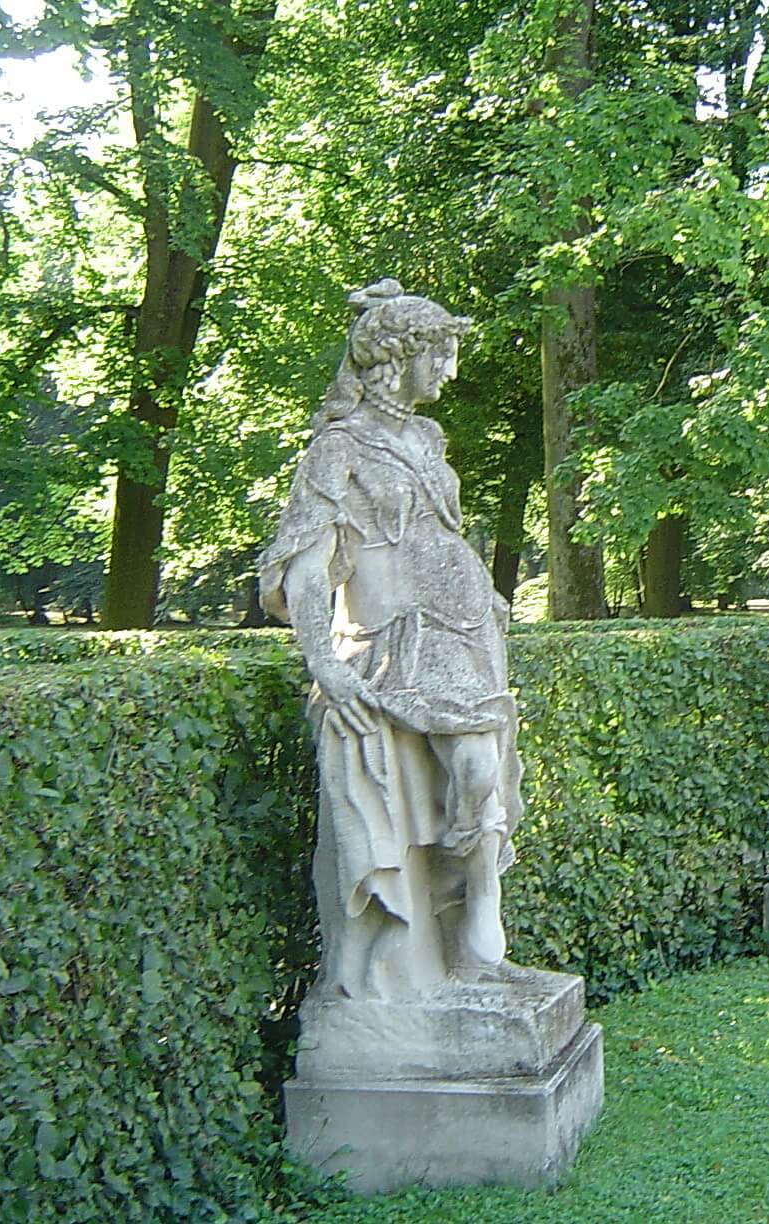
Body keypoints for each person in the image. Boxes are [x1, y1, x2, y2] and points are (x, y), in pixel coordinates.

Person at [258, 279, 522, 999]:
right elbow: (308, 566)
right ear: (397, 356)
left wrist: (485, 593)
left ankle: (478, 933)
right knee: (472, 764)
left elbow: (442, 533)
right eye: (440, 353)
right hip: (389, 643)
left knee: (480, 770)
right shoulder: (337, 449)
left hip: (460, 632)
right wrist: (322, 660)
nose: (450, 369)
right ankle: (466, 937)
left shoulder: (428, 439)